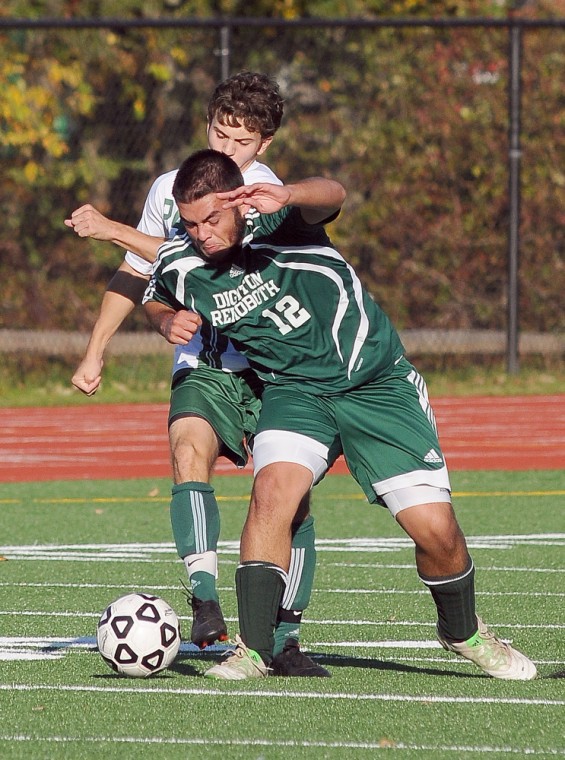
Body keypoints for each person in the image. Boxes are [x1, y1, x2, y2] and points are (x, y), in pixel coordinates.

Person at [143, 149, 537, 682]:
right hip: (294, 393)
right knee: (271, 495)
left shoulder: (280, 222)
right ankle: (254, 649)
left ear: (238, 202)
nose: (202, 234)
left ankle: (462, 632)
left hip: (374, 385)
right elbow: (156, 293)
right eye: (190, 223)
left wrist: (289, 193)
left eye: (212, 219)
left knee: (436, 532)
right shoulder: (180, 260)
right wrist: (165, 321)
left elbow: (334, 193)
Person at [66, 72, 335, 675]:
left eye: (241, 141)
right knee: (188, 448)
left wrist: (109, 228)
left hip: (273, 368)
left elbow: (203, 256)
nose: (227, 148)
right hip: (207, 364)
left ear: (262, 146)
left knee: (291, 500)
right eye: (219, 132)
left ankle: (286, 637)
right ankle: (207, 606)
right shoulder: (172, 187)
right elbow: (144, 273)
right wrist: (104, 345)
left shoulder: (260, 193)